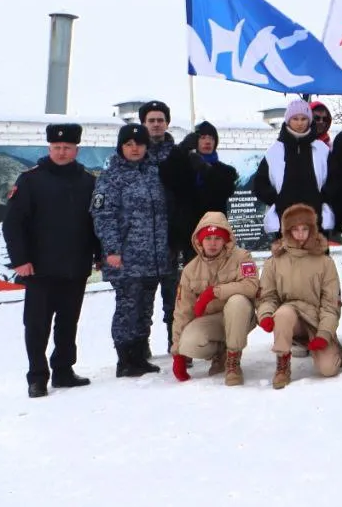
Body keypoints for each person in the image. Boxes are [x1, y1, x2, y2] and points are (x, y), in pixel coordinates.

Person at [2, 123, 97, 398]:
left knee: (68, 322)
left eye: (67, 148)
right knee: (36, 325)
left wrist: (99, 255)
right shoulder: (31, 180)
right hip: (39, 268)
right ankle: (37, 377)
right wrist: (20, 260)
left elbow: (96, 223)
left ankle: (64, 371)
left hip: (75, 266)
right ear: (49, 148)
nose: (62, 152)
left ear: (76, 150)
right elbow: (13, 224)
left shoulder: (88, 181)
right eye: (57, 147)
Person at [93, 123, 173, 377]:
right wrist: (112, 250)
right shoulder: (112, 177)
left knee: (145, 307)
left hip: (154, 257)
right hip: (126, 258)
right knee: (128, 307)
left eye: (139, 143)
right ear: (121, 147)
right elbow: (103, 216)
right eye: (128, 144)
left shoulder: (154, 172)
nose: (134, 148)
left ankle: (139, 355)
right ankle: (125, 358)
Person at [256, 203, 342, 389]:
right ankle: (282, 365)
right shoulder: (274, 262)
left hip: (316, 320)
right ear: (286, 231)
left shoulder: (325, 262)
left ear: (312, 230)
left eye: (305, 229)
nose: (300, 234)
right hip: (289, 319)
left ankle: (331, 346)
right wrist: (265, 315)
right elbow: (267, 296)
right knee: (283, 313)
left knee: (328, 369)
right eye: (295, 229)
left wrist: (324, 333)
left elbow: (331, 304)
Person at [169, 213, 257, 386]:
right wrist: (177, 353)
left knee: (237, 301)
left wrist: (215, 292)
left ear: (226, 240)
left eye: (218, 238)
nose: (213, 243)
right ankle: (220, 353)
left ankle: (233, 361)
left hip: (239, 316)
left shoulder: (242, 257)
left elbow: (251, 286)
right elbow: (182, 311)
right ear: (199, 241)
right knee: (189, 344)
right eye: (208, 238)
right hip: (212, 321)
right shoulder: (190, 270)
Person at [159, 122, 238, 267]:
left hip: (213, 233)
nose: (207, 141)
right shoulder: (185, 167)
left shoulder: (225, 171)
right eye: (202, 137)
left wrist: (206, 170)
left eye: (211, 138)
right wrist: (181, 150)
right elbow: (166, 174)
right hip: (187, 236)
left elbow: (224, 190)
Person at [252, 99, 335, 237]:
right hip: (284, 219)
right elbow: (260, 184)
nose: (300, 122)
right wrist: (276, 199)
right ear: (288, 121)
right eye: (295, 118)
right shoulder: (275, 151)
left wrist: (322, 198)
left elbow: (334, 180)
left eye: (303, 118)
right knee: (286, 257)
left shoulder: (322, 150)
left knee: (316, 257)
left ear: (309, 121)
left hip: (316, 220)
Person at [138, 101, 179, 347]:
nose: (156, 124)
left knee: (175, 299)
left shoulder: (178, 153)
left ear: (167, 123)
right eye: (151, 120)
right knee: (140, 303)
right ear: (143, 123)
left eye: (160, 120)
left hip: (171, 240)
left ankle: (177, 345)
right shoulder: (132, 153)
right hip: (140, 242)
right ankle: (140, 351)